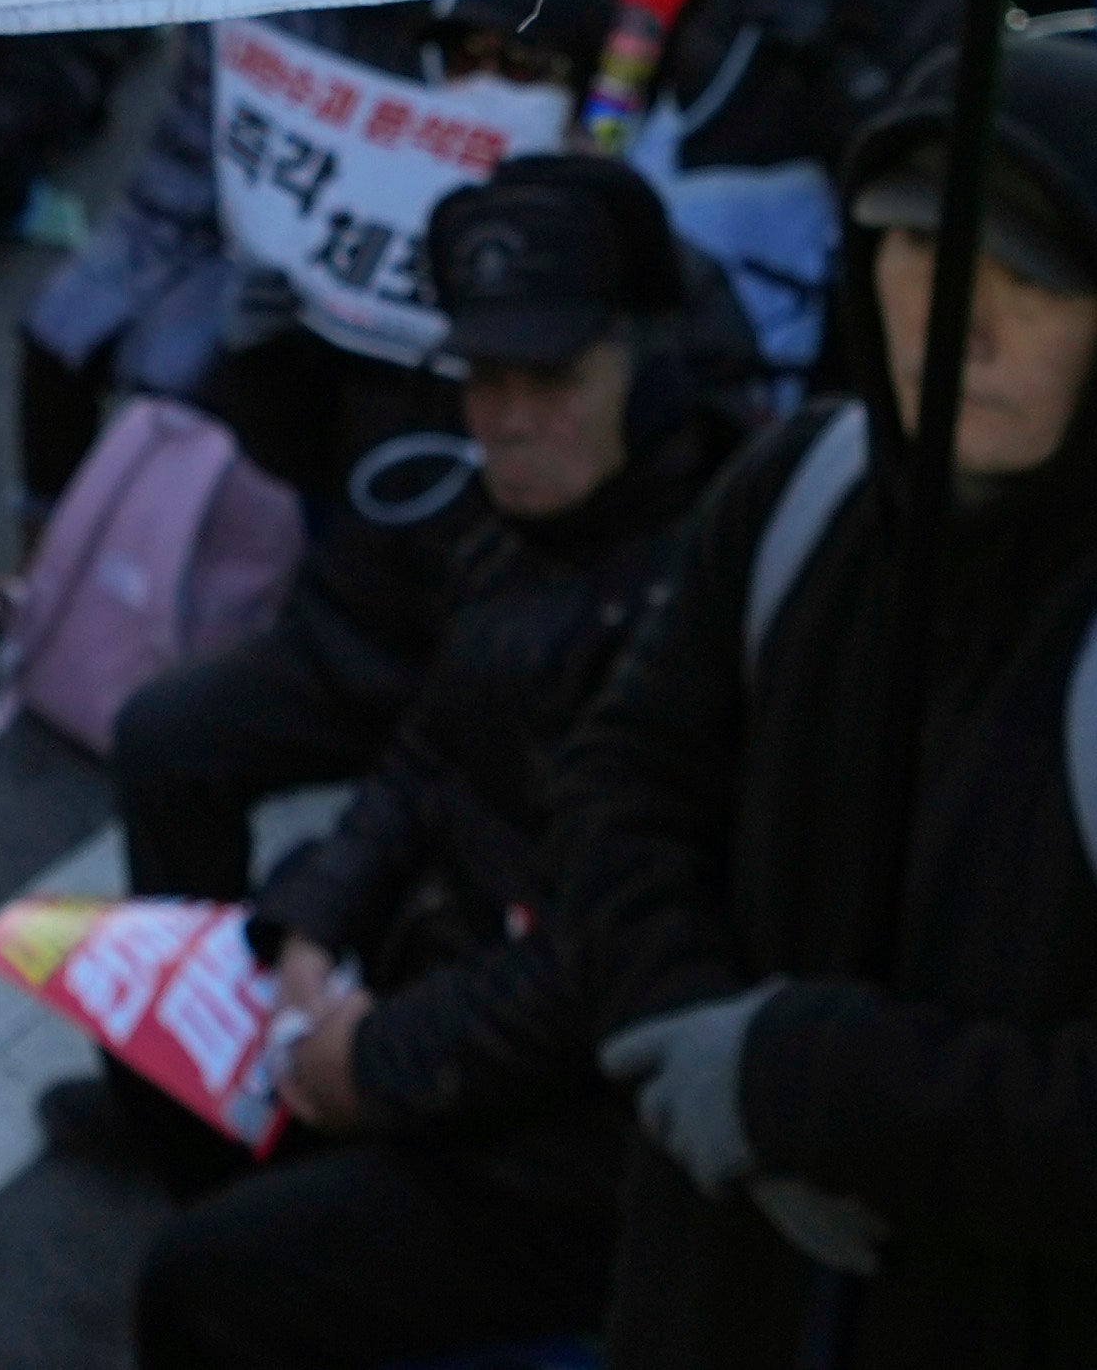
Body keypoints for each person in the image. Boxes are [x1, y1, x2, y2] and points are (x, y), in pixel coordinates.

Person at [558, 39, 1097, 1370]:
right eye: (918, 256)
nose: (959, 325)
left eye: (1031, 280)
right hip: (705, 1293)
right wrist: (692, 1038)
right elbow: (622, 792)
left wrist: (812, 1084)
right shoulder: (791, 494)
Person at [108, 159, 743, 1365]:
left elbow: (596, 957)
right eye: (484, 379)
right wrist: (310, 922)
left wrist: (377, 1064)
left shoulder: (696, 607)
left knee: (195, 1288)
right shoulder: (523, 526)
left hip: (571, 1133)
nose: (506, 417)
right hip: (432, 997)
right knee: (148, 1056)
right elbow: (426, 746)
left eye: (550, 379)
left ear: (647, 364)